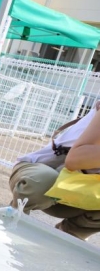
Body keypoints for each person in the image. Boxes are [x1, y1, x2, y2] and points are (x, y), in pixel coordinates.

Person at [9, 102, 100, 240]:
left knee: (68, 242)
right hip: (44, 176)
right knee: (43, 180)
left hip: (79, 194)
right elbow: (74, 159)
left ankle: (70, 238)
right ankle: (13, 222)